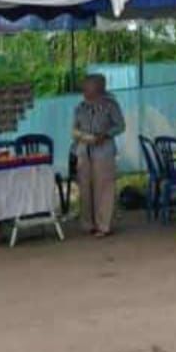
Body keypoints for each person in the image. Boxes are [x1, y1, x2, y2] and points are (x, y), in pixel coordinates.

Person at [72, 74, 124, 238]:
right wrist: (79, 135)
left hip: (103, 151)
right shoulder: (80, 107)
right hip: (84, 150)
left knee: (104, 187)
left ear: (99, 89)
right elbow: (74, 128)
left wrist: (106, 134)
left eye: (88, 88)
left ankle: (104, 224)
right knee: (85, 187)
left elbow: (120, 125)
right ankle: (88, 223)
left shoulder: (110, 105)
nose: (85, 91)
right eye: (84, 88)